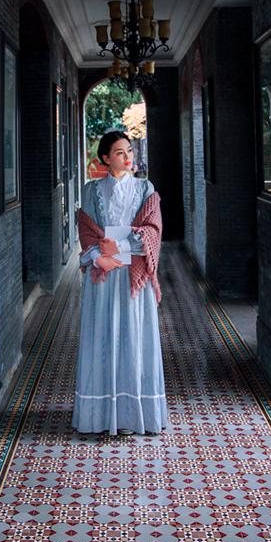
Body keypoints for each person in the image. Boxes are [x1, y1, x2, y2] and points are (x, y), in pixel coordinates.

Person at [73, 130, 166, 435]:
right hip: (103, 276)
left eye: (129, 151)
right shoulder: (91, 190)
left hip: (132, 274)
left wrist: (121, 248)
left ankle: (133, 414)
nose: (128, 157)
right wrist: (98, 257)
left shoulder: (145, 188)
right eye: (119, 153)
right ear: (105, 158)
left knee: (134, 338)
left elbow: (153, 230)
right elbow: (86, 228)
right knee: (103, 337)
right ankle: (99, 416)